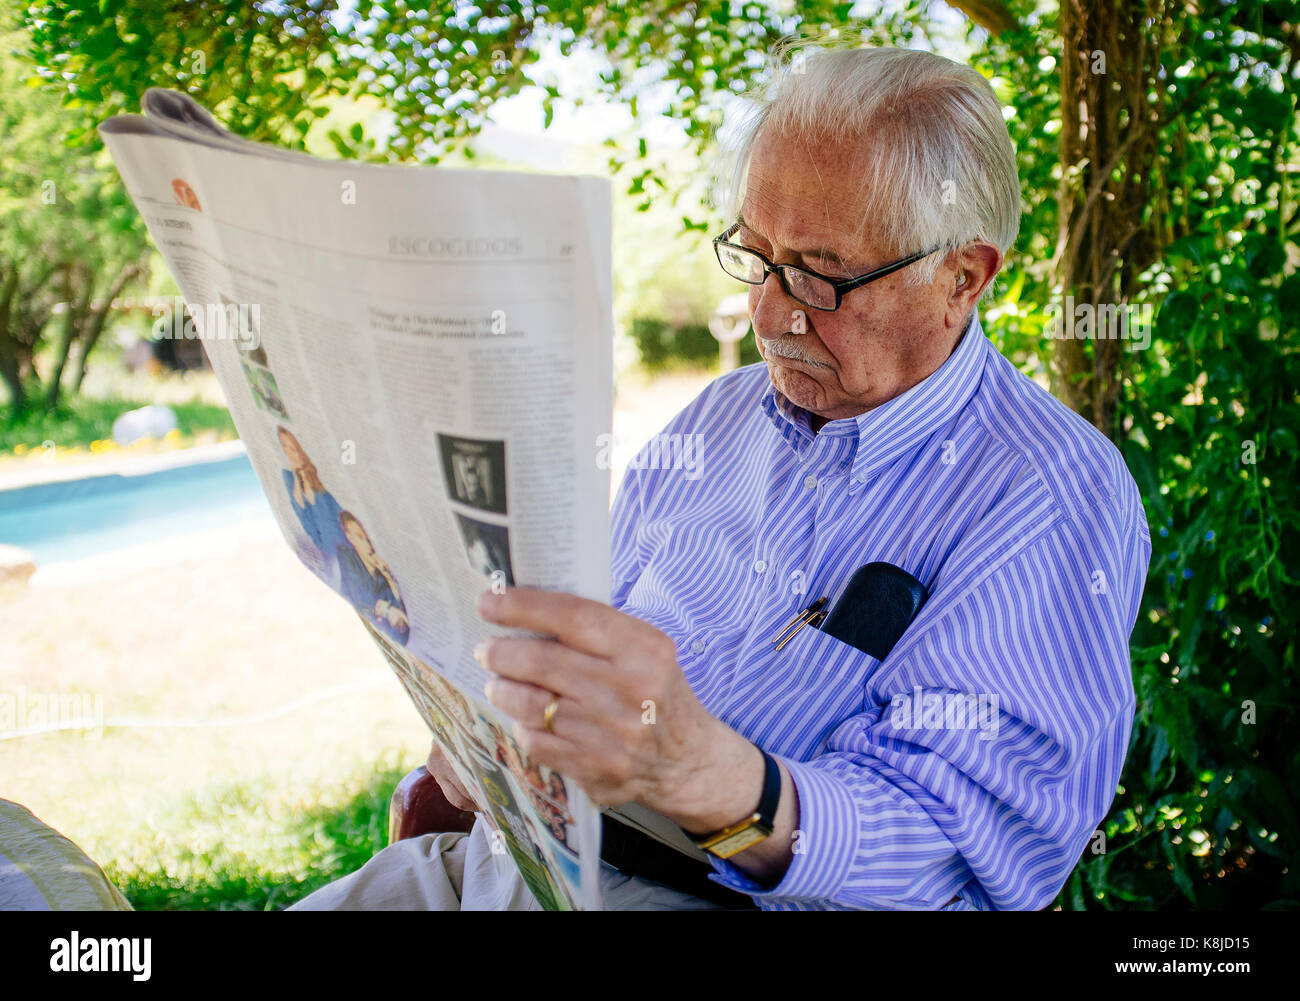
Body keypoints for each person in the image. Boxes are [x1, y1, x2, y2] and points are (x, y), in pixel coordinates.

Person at [290, 42, 1150, 912]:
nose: (769, 311)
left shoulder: (1047, 492)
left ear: (961, 276)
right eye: (755, 255)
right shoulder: (717, 417)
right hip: (513, 858)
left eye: (819, 274)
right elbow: (582, 640)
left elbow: (969, 858)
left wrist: (726, 786)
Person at [277, 427, 346, 585]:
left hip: (340, 546)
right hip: (328, 554)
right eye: (285, 447)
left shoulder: (317, 478)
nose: (290, 452)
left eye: (293, 447)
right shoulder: (290, 478)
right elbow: (301, 512)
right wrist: (296, 473)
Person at [336, 510, 410, 645]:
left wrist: (389, 579)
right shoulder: (347, 557)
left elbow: (403, 628)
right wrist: (387, 610)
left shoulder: (381, 579)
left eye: (369, 540)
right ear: (350, 538)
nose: (368, 545)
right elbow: (361, 599)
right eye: (360, 537)